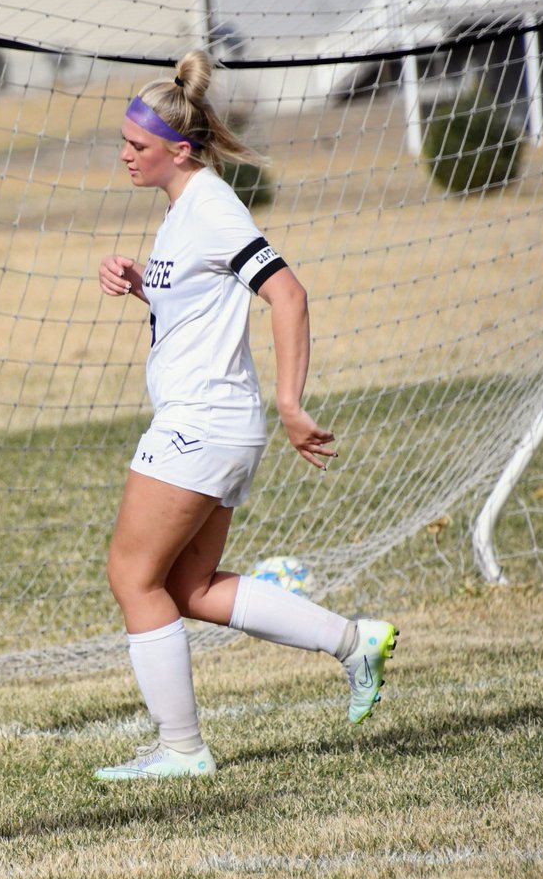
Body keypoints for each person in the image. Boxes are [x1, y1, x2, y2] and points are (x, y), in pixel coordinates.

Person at [93, 52, 397, 781]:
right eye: (124, 142)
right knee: (188, 589)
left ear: (181, 150)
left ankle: (181, 749)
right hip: (212, 422)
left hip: (201, 423)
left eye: (138, 145)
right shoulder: (183, 209)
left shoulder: (211, 206)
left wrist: (291, 402)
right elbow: (201, 304)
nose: (125, 155)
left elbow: (287, 294)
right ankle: (354, 642)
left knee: (132, 576)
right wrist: (142, 286)